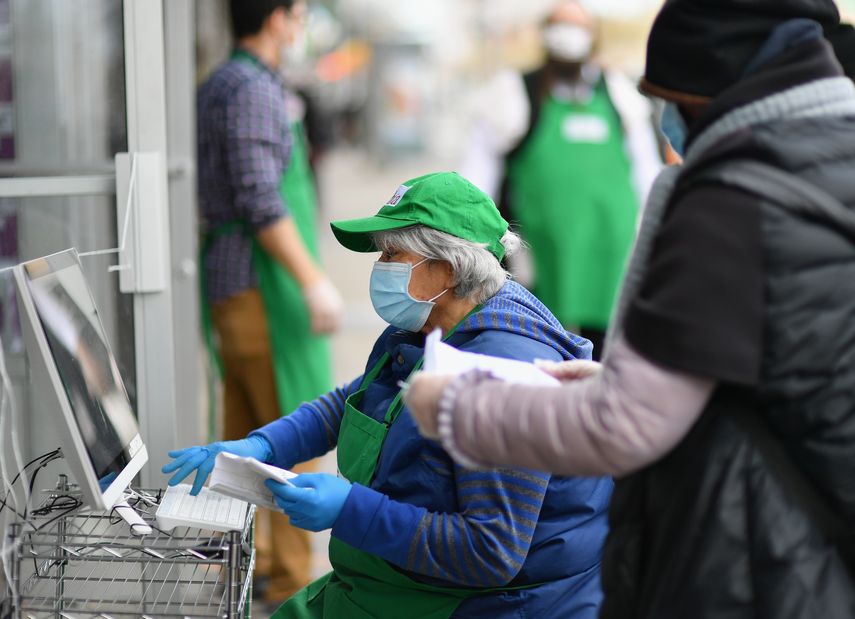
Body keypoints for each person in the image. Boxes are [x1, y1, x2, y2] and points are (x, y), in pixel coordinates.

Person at [406, 1, 855, 618]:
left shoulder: (728, 200)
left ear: (709, 91)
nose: (667, 120)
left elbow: (621, 426)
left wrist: (455, 408)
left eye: (672, 99)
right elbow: (791, 355)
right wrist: (637, 376)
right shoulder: (832, 157)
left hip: (760, 558)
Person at [165, 172, 613, 618]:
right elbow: (356, 399)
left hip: (488, 603)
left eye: (393, 253)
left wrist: (351, 510)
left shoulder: (505, 374)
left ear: (448, 268)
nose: (381, 267)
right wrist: (266, 444)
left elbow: (491, 551)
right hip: (403, 577)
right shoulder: (430, 324)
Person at [196, 0, 343, 605]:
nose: (302, 25)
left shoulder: (226, 81)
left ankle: (248, 568)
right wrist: (312, 279)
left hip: (239, 285)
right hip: (264, 289)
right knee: (285, 436)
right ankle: (288, 584)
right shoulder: (253, 88)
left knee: (244, 431)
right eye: (299, 12)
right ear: (277, 18)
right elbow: (262, 200)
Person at [461, 0, 662, 359]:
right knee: (535, 345)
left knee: (607, 353)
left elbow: (647, 173)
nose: (567, 36)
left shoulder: (619, 95)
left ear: (593, 36)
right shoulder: (514, 92)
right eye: (558, 24)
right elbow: (478, 175)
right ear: (544, 34)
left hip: (610, 253)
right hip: (536, 253)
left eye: (576, 26)